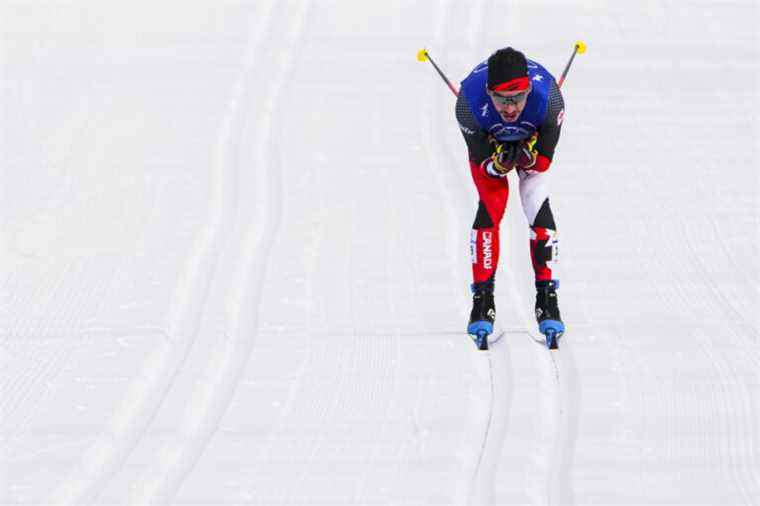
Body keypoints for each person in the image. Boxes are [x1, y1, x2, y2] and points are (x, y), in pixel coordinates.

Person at [455, 47, 565, 341]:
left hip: (532, 141)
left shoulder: (550, 99)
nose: (511, 108)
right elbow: (484, 165)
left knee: (535, 204)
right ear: (488, 93)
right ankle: (482, 302)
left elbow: (543, 161)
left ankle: (547, 300)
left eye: (519, 97)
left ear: (530, 89)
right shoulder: (467, 103)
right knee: (492, 204)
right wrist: (498, 162)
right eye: (501, 100)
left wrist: (528, 158)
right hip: (490, 147)